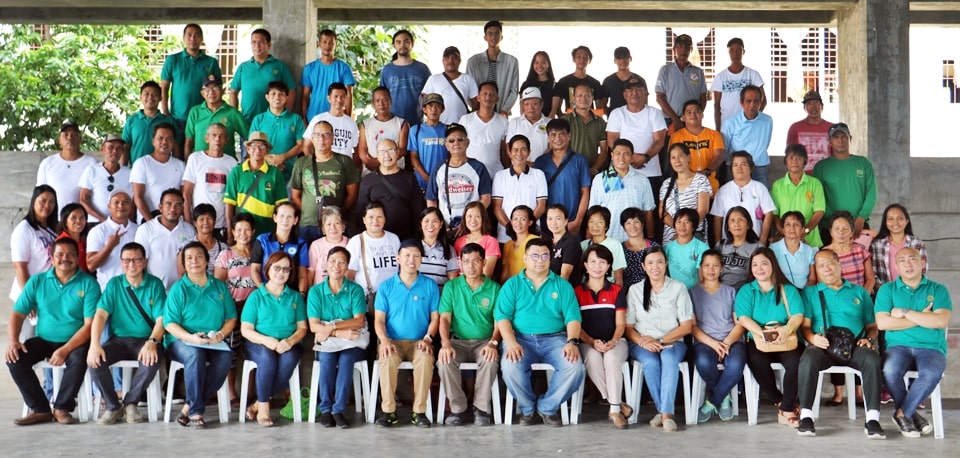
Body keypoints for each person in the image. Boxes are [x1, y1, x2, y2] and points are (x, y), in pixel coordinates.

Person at [6, 237, 100, 426]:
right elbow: (17, 314)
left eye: (70, 254)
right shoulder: (37, 281)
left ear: (78, 256)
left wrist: (65, 350)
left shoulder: (89, 284)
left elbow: (90, 325)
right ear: (52, 256)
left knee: (80, 359)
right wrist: (13, 341)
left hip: (76, 342)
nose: (65, 258)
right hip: (44, 339)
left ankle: (62, 408)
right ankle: (40, 409)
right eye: (60, 254)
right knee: (15, 359)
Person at [796, 249, 885, 439]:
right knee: (809, 357)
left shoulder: (859, 292)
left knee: (872, 359)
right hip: (823, 345)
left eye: (830, 263)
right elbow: (805, 327)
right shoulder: (811, 293)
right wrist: (812, 338)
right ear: (816, 271)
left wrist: (868, 340)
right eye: (821, 265)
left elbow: (872, 326)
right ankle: (806, 416)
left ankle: (872, 419)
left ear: (839, 264)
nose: (826, 268)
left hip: (854, 346)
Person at [496, 238, 584, 427]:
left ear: (550, 258)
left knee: (575, 368)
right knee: (510, 367)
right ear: (525, 258)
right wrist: (510, 342)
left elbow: (573, 318)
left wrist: (572, 341)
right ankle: (527, 409)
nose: (540, 260)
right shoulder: (512, 285)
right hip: (521, 339)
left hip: (555, 339)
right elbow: (502, 318)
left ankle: (547, 407)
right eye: (535, 256)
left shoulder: (561, 285)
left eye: (545, 255)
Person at [875, 247, 951, 438]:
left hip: (931, 348)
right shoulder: (887, 290)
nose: (908, 264)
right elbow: (883, 323)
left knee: (932, 372)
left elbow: (941, 321)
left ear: (922, 262)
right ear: (896, 266)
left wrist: (904, 312)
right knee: (889, 370)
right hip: (897, 347)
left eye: (912, 259)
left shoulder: (938, 289)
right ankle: (912, 415)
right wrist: (923, 317)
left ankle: (902, 413)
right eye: (902, 261)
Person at [86, 242, 166, 424]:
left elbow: (162, 320)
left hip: (145, 340)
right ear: (121, 262)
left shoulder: (155, 284)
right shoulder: (114, 284)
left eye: (136, 260)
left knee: (151, 361)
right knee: (95, 362)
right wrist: (94, 344)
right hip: (119, 341)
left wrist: (152, 342)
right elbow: (100, 315)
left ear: (145, 261)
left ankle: (131, 403)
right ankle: (113, 406)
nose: (131, 264)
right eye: (126, 260)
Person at [163, 241, 237, 428]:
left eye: (199, 256)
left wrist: (220, 336)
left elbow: (231, 318)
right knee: (195, 355)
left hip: (212, 339)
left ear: (206, 261)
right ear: (183, 263)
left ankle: (190, 405)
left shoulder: (219, 287)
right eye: (188, 258)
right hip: (182, 340)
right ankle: (196, 411)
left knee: (226, 356)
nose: (194, 261)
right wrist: (191, 338)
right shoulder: (179, 288)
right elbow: (169, 324)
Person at [623, 247, 694, 433]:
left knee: (668, 358)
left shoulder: (678, 287)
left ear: (666, 264)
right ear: (643, 266)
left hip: (673, 341)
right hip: (642, 343)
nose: (656, 266)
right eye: (650, 263)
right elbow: (629, 328)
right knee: (650, 362)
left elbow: (687, 326)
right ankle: (665, 412)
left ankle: (664, 413)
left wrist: (661, 340)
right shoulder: (635, 290)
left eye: (660, 262)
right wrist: (644, 342)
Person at [735, 247, 805, 428]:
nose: (759, 268)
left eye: (764, 264)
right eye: (755, 264)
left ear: (773, 265)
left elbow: (798, 315)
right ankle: (781, 402)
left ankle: (787, 408)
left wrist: (786, 330)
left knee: (798, 361)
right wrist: (763, 334)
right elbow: (743, 318)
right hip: (758, 339)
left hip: (786, 338)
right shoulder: (746, 290)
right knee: (756, 360)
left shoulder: (788, 290)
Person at [373, 240, 440, 428]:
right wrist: (384, 341)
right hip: (392, 341)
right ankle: (389, 412)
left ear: (421, 260)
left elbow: (435, 318)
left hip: (420, 341)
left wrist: (428, 338)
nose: (412, 260)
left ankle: (419, 412)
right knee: (386, 359)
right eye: (407, 255)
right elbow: (378, 320)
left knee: (426, 359)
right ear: (398, 258)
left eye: (416, 256)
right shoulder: (386, 287)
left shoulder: (430, 285)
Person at [240, 251, 308, 427]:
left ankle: (258, 403)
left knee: (290, 358)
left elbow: (302, 328)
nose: (281, 272)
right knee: (267, 358)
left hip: (288, 343)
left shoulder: (295, 297)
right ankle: (263, 410)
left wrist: (290, 342)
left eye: (286, 269)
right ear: (268, 269)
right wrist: (266, 340)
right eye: (277, 268)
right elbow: (246, 330)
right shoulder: (256, 296)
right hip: (258, 343)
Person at [437, 242, 501, 426]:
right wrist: (446, 343)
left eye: (475, 261)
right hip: (457, 342)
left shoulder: (495, 288)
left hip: (484, 342)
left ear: (483, 263)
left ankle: (480, 408)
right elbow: (445, 319)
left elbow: (499, 324)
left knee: (490, 360)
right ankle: (459, 409)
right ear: (461, 264)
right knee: (445, 361)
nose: (471, 266)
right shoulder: (452, 287)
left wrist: (493, 343)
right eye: (466, 261)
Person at [307, 246, 367, 428]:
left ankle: (338, 409)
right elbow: (313, 325)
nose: (337, 265)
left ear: (347, 265)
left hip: (352, 339)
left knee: (347, 358)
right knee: (326, 358)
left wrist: (330, 326)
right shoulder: (316, 291)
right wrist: (339, 331)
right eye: (333, 261)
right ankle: (325, 409)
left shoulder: (355, 290)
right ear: (326, 264)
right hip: (332, 340)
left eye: (342, 262)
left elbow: (358, 321)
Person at [575, 244, 632, 429]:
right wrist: (592, 341)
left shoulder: (617, 291)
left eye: (602, 262)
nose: (597, 266)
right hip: (587, 342)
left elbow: (620, 324)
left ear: (609, 267)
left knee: (611, 357)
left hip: (616, 341)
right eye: (592, 261)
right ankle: (616, 406)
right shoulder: (577, 292)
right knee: (592, 357)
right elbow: (576, 326)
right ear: (585, 265)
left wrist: (613, 341)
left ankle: (614, 410)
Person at [690, 250, 744, 423]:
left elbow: (739, 323)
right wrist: (714, 344)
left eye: (715, 265)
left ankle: (713, 401)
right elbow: (692, 326)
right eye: (707, 265)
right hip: (705, 341)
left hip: (732, 340)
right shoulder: (692, 292)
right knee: (704, 362)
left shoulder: (731, 292)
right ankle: (725, 397)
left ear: (722, 268)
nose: (711, 269)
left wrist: (727, 343)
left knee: (736, 364)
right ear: (701, 268)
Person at [291, 120, 359, 245]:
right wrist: (308, 211)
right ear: (312, 138)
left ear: (332, 138)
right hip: (308, 224)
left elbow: (352, 194)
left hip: (334, 225)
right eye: (317, 135)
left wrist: (337, 213)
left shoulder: (344, 161)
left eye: (326, 135)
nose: (321, 139)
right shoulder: (301, 163)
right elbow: (295, 195)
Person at [214, 213, 258, 400]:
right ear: (233, 231)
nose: (243, 233)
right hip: (233, 310)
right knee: (231, 352)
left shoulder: (258, 253)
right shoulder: (226, 254)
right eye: (238, 230)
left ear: (253, 231)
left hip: (254, 312)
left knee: (254, 351)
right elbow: (218, 285)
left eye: (247, 229)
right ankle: (231, 393)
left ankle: (251, 393)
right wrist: (228, 308)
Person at [813, 123, 877, 240]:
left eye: (844, 137)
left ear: (850, 138)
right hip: (830, 227)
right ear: (830, 141)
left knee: (862, 258)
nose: (840, 140)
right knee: (829, 258)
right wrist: (833, 223)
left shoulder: (863, 163)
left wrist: (861, 217)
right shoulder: (821, 167)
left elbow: (871, 193)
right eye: (836, 137)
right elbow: (818, 198)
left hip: (858, 224)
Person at [160, 24, 222, 142]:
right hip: (178, 118)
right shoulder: (173, 60)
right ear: (184, 38)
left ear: (201, 38)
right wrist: (166, 113)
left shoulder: (211, 62)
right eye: (189, 35)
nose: (193, 38)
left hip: (203, 117)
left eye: (196, 35)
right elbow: (164, 88)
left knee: (200, 153)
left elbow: (218, 89)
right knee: (178, 154)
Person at [228, 28, 297, 132]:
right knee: (250, 148)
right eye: (254, 42)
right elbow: (233, 92)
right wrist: (236, 116)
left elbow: (292, 90)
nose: (257, 45)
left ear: (269, 45)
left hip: (272, 122)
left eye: (261, 42)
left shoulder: (279, 66)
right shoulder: (243, 67)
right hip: (248, 122)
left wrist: (284, 112)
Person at [425, 123, 493, 227]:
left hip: (472, 226)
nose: (456, 143)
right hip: (447, 227)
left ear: (467, 142)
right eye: (451, 141)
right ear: (446, 145)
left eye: (460, 139)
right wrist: (437, 222)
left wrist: (471, 219)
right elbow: (431, 199)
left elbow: (486, 198)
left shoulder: (478, 167)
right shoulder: (439, 169)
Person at [223, 131, 289, 237]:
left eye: (262, 146)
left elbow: (281, 206)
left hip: (267, 232)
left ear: (267, 150)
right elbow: (229, 204)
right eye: (253, 146)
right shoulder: (237, 172)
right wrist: (231, 231)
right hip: (242, 234)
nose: (257, 150)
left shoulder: (275, 173)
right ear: (248, 149)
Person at [589, 138, 655, 243]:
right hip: (606, 238)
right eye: (617, 153)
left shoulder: (642, 180)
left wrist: (651, 239)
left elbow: (648, 212)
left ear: (632, 157)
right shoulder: (599, 179)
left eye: (626, 154)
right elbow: (593, 212)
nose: (621, 158)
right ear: (611, 155)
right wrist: (590, 240)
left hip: (634, 240)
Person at [607, 77, 668, 190]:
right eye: (630, 90)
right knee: (613, 204)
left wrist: (645, 157)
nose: (634, 93)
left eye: (639, 89)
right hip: (619, 170)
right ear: (624, 94)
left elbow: (659, 141)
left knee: (650, 206)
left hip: (650, 171)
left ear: (646, 93)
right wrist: (629, 158)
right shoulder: (616, 113)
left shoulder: (655, 113)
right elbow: (612, 141)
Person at [356, 139, 424, 241]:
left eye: (390, 150)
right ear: (377, 156)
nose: (386, 155)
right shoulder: (368, 180)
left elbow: (418, 208)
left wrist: (417, 236)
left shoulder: (409, 177)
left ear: (397, 153)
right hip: (378, 238)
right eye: (382, 152)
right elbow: (361, 211)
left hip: (405, 237)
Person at [535, 118, 591, 235]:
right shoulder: (540, 162)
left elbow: (585, 192)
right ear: (548, 137)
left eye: (562, 134)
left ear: (569, 136)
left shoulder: (579, 160)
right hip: (547, 225)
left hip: (571, 223)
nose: (557, 139)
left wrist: (578, 221)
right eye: (553, 135)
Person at [134, 188, 196, 290]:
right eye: (168, 204)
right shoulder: (145, 229)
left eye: (177, 205)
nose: (173, 208)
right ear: (160, 207)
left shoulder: (189, 230)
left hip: (183, 290)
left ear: (182, 208)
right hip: (154, 291)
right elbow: (139, 262)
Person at [181, 123, 239, 231]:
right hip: (199, 223)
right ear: (206, 138)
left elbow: (232, 197)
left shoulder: (232, 163)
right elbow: (186, 194)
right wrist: (188, 221)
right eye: (214, 135)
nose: (217, 139)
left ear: (226, 140)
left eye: (221, 136)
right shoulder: (195, 158)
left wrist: (230, 226)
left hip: (221, 224)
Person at [709, 151, 776, 245]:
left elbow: (768, 213)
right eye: (735, 165)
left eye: (743, 164)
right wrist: (718, 244)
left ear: (751, 167)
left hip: (754, 243)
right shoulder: (723, 191)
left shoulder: (759, 188)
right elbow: (717, 218)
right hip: (728, 245)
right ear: (731, 169)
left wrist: (763, 240)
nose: (739, 168)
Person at [492, 134, 548, 242]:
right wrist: (509, 227)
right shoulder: (500, 176)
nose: (519, 154)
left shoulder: (538, 175)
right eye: (515, 150)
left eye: (523, 150)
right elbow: (497, 207)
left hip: (531, 234)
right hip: (506, 235)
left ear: (529, 152)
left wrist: (528, 226)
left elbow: (541, 205)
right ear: (509, 152)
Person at [36, 120, 99, 214]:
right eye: (65, 134)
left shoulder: (91, 163)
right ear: (59, 140)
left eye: (74, 134)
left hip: (80, 221)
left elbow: (97, 194)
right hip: (53, 220)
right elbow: (40, 195)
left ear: (80, 139)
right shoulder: (47, 163)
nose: (69, 137)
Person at [250, 81, 306, 184]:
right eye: (273, 94)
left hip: (289, 172)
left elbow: (301, 145)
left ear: (287, 98)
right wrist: (270, 160)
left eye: (281, 94)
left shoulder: (295, 119)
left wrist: (282, 158)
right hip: (262, 171)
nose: (277, 97)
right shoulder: (259, 119)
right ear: (267, 97)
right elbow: (252, 146)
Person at [10, 186, 58, 305]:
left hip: (46, 293)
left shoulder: (54, 229)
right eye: (43, 201)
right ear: (33, 201)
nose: (47, 205)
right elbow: (19, 266)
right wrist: (28, 297)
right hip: (28, 294)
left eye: (51, 202)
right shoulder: (24, 230)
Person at [770, 144, 826, 247]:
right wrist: (784, 233)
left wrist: (805, 231)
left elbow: (819, 211)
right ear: (785, 161)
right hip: (785, 242)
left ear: (805, 161)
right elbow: (774, 214)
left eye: (799, 158)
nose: (794, 161)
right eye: (791, 158)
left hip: (810, 241)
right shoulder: (778, 185)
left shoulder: (815, 183)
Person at [250, 202, 310, 296]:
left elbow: (302, 275)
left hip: (290, 295)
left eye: (289, 216)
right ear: (275, 218)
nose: (285, 220)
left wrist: (301, 295)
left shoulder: (300, 244)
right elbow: (254, 269)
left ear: (295, 220)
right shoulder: (262, 240)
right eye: (281, 216)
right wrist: (264, 291)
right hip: (265, 292)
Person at [184, 75, 249, 159]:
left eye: (215, 88)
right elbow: (188, 142)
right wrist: (188, 165)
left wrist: (248, 159)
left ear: (223, 91)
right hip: (200, 164)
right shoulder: (195, 112)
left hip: (226, 165)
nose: (211, 92)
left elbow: (250, 137)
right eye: (207, 89)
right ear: (202, 93)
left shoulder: (232, 113)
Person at [130, 123, 185, 222]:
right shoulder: (142, 163)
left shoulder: (180, 165)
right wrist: (151, 223)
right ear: (153, 141)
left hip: (173, 219)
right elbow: (138, 197)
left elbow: (183, 196)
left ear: (173, 142)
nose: (164, 141)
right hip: (148, 218)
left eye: (169, 138)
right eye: (160, 138)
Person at [346, 201, 401, 301]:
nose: (375, 220)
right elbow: (349, 274)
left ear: (385, 219)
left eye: (379, 217)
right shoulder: (356, 241)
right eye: (371, 217)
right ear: (364, 220)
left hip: (393, 297)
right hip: (367, 299)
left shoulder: (394, 239)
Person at [659, 142, 712, 244]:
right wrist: (679, 229)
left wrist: (686, 231)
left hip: (694, 236)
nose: (677, 160)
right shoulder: (666, 184)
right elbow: (662, 213)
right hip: (671, 238)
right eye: (673, 157)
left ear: (688, 157)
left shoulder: (700, 180)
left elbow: (703, 210)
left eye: (680, 156)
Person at [720, 85, 773, 187]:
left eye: (756, 101)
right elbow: (724, 150)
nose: (752, 105)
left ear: (760, 102)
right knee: (735, 200)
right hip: (737, 168)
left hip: (759, 167)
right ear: (742, 102)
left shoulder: (767, 121)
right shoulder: (730, 123)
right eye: (748, 101)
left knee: (760, 200)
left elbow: (765, 143)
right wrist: (734, 165)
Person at [87, 190, 139, 291]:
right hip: (108, 291)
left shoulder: (138, 229)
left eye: (126, 202)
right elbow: (91, 265)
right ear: (109, 206)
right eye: (116, 202)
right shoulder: (98, 231)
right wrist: (109, 246)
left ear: (131, 206)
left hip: (135, 290)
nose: (121, 205)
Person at [670, 100, 726, 193]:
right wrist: (691, 175)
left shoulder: (715, 135)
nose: (693, 114)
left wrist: (706, 172)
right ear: (683, 117)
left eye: (697, 111)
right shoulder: (676, 136)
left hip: (710, 185)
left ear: (702, 115)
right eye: (689, 112)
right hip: (685, 187)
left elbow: (719, 156)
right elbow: (675, 159)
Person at [465, 21, 520, 115]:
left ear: (501, 37)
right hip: (478, 113)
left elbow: (514, 90)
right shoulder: (473, 61)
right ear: (485, 37)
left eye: (496, 33)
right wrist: (476, 108)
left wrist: (504, 110)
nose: (493, 37)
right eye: (490, 34)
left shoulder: (512, 61)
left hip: (501, 113)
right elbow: (468, 88)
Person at [655, 34, 707, 132]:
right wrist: (675, 119)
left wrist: (695, 116)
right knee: (671, 147)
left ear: (691, 50)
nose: (683, 49)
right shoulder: (665, 70)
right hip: (670, 121)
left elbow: (703, 99)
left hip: (691, 121)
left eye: (687, 47)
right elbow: (659, 97)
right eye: (680, 46)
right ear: (674, 49)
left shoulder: (698, 72)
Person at [710, 38, 766, 130]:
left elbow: (763, 101)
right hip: (727, 126)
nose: (735, 53)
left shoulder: (753, 75)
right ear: (728, 52)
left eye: (739, 50)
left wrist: (753, 119)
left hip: (747, 127)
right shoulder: (720, 77)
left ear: (743, 51)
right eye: (732, 50)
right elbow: (717, 106)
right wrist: (718, 129)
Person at [301, 28, 356, 122]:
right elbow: (305, 96)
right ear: (319, 44)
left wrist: (348, 119)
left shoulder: (344, 68)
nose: (327, 45)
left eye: (331, 42)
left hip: (336, 118)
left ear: (336, 45)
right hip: (314, 117)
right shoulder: (309, 68)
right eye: (324, 42)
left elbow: (349, 95)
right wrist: (304, 118)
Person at [379, 30, 431, 126]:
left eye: (406, 41)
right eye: (398, 42)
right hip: (392, 122)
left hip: (416, 123)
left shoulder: (422, 69)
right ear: (394, 45)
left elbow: (429, 96)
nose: (402, 45)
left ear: (412, 44)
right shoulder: (387, 70)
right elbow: (382, 96)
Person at [871, 203, 928, 291]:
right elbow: (873, 272)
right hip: (885, 293)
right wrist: (885, 291)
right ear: (885, 222)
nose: (895, 222)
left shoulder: (917, 243)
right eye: (891, 219)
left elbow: (923, 270)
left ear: (907, 221)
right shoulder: (876, 244)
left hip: (912, 291)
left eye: (900, 218)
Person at [458, 81, 509, 178]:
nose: (488, 97)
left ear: (497, 99)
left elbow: (504, 151)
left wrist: (505, 172)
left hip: (495, 174)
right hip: (470, 173)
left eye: (492, 94)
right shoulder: (466, 120)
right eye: (484, 94)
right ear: (478, 98)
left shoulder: (503, 122)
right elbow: (459, 146)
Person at [78, 134, 131, 224]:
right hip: (95, 222)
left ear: (122, 151)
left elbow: (132, 201)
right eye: (110, 147)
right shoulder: (92, 170)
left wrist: (128, 222)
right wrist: (103, 219)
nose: (114, 151)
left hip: (120, 223)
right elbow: (83, 199)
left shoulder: (129, 173)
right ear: (102, 149)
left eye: (119, 148)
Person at [357, 87, 410, 175]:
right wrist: (370, 162)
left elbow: (402, 150)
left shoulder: (402, 123)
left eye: (385, 100)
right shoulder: (365, 124)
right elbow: (362, 152)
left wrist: (378, 162)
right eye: (377, 100)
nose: (381, 103)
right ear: (373, 103)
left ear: (390, 101)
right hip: (371, 173)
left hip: (395, 173)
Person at [123, 81, 177, 164]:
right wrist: (123, 169)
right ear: (140, 97)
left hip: (162, 169)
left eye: (154, 94)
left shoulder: (169, 121)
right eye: (146, 94)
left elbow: (175, 147)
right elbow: (126, 147)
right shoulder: (132, 120)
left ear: (160, 98)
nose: (150, 97)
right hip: (136, 170)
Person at [421, 46, 478, 125]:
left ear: (459, 61)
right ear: (443, 61)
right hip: (438, 126)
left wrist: (469, 121)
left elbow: (476, 103)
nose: (450, 61)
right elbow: (425, 102)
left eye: (454, 58)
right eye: (447, 57)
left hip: (461, 127)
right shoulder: (433, 79)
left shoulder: (468, 79)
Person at [823, 211, 875, 294]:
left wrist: (863, 297)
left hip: (860, 298)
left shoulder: (860, 250)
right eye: (837, 228)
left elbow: (870, 279)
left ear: (852, 232)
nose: (841, 232)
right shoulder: (824, 254)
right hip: (836, 299)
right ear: (831, 232)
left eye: (845, 229)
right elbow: (823, 283)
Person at [302, 83, 359, 159]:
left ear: (346, 99)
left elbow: (356, 149)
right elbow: (306, 146)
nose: (339, 100)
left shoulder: (351, 123)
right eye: (335, 96)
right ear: (329, 98)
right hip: (324, 168)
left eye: (342, 97)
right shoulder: (318, 120)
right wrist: (314, 165)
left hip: (345, 168)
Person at [563, 84, 608, 175]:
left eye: (587, 95)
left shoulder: (600, 122)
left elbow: (604, 150)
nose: (583, 98)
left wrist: (593, 169)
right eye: (580, 95)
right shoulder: (564, 120)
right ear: (573, 99)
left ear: (592, 98)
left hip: (591, 171)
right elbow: (558, 148)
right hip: (568, 171)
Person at [408, 94, 449, 191]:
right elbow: (413, 157)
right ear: (424, 109)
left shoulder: (448, 130)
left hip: (444, 182)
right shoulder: (416, 130)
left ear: (442, 109)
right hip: (421, 183)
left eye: (437, 106)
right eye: (430, 106)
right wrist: (427, 178)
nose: (434, 109)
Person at [714, 206, 762, 290]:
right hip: (721, 291)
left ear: (748, 225)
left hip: (746, 292)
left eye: (741, 220)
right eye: (732, 220)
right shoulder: (720, 245)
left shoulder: (758, 247)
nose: (736, 224)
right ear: (728, 227)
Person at [786, 90, 832, 174]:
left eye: (816, 103)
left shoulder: (831, 128)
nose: (813, 106)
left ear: (822, 106)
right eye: (809, 104)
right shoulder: (795, 128)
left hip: (827, 175)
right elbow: (790, 154)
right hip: (803, 177)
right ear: (804, 108)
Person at [552, 46, 604, 117]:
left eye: (585, 57)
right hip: (570, 123)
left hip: (590, 122)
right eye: (578, 57)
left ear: (589, 60)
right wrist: (565, 122)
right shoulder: (563, 82)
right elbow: (558, 109)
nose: (581, 60)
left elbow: (599, 109)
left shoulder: (595, 83)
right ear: (574, 59)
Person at [453, 201, 500, 279]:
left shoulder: (491, 241)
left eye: (477, 216)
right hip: (460, 287)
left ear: (483, 218)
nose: (473, 220)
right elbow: (455, 270)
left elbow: (486, 274)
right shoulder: (459, 241)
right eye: (469, 216)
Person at [663, 208, 707, 289]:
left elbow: (703, 277)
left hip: (695, 293)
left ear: (694, 225)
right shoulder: (667, 248)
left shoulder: (702, 248)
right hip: (673, 293)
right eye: (679, 222)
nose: (682, 225)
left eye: (687, 222)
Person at [581, 206, 626, 286]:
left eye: (600, 222)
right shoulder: (583, 245)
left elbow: (618, 277)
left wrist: (618, 296)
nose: (595, 225)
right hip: (586, 290)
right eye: (591, 221)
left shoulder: (615, 245)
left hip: (608, 290)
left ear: (606, 226)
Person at [770, 211, 817, 289]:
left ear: (802, 229)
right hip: (781, 293)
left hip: (804, 293)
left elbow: (812, 279)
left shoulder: (809, 251)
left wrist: (804, 294)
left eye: (796, 224)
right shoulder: (773, 249)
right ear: (783, 229)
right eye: (788, 224)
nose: (792, 228)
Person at [417, 207, 459, 287]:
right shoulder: (413, 248)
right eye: (426, 221)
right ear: (420, 224)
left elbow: (452, 281)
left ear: (441, 224)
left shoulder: (449, 250)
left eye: (435, 221)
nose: (430, 225)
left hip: (440, 297)